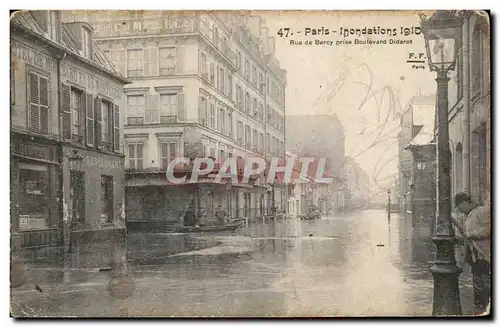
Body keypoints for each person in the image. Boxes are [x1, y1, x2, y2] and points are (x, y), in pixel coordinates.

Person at [453, 192, 491, 315]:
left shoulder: (481, 211)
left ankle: (487, 308)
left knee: (485, 281)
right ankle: (479, 308)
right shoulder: (468, 215)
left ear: (465, 203)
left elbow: (489, 229)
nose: (460, 211)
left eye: (460, 207)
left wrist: (470, 234)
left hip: (484, 254)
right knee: (477, 282)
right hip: (474, 255)